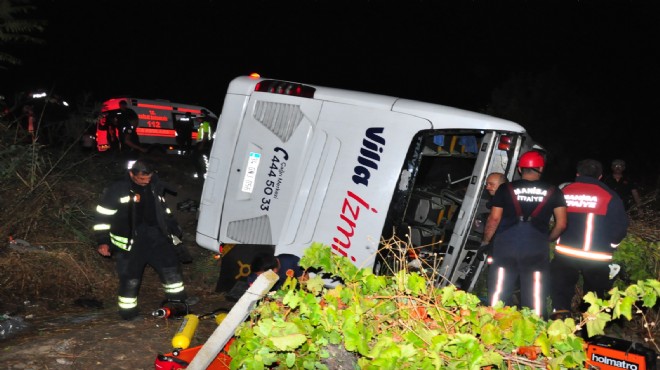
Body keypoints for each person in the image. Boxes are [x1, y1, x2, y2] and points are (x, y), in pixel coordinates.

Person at [93, 159, 191, 320]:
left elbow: (163, 210)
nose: (146, 181)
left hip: (156, 236)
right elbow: (103, 216)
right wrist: (103, 241)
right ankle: (128, 313)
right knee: (130, 278)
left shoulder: (155, 185)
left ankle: (178, 304)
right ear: (131, 174)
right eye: (141, 178)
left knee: (171, 270)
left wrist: (173, 229)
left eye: (148, 178)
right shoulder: (118, 189)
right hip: (130, 243)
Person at [482, 151, 567, 317]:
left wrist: (486, 241)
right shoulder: (554, 191)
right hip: (535, 247)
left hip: (506, 244)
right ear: (541, 168)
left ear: (520, 169)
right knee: (535, 292)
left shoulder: (506, 189)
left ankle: (496, 326)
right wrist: (548, 239)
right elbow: (562, 224)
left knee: (499, 288)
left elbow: (494, 219)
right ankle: (533, 330)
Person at [550, 159, 628, 320]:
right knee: (594, 297)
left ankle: (560, 325)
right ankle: (589, 327)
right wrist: (611, 246)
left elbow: (552, 219)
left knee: (561, 292)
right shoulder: (609, 195)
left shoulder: (564, 192)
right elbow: (620, 227)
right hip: (596, 256)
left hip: (566, 253)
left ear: (577, 174)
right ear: (600, 176)